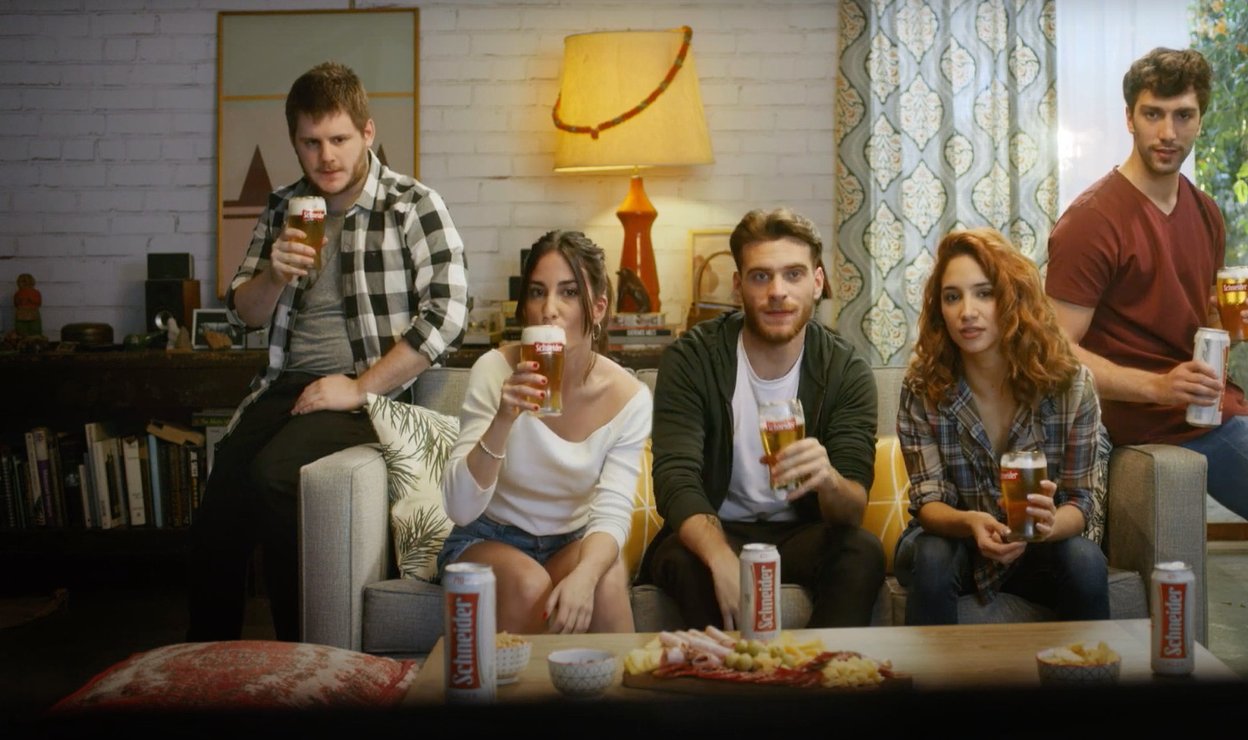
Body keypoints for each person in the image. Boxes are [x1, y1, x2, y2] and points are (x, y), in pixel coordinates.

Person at [1045, 47, 1248, 677]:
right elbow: (1055, 352)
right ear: (1129, 117)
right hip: (1156, 418)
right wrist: (1156, 388)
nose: (1168, 131)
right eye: (1153, 114)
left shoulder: (1205, 211)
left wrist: (1232, 319)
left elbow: (1197, 326)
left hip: (1208, 403)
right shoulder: (1092, 220)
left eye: (1183, 115)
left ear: (1200, 118)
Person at [187, 62, 469, 642]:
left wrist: (359, 387)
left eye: (339, 139)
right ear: (295, 142)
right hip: (284, 384)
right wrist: (273, 274)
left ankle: (301, 654)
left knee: (274, 476)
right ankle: (206, 661)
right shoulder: (284, 206)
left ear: (367, 132)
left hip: (369, 390)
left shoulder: (413, 205)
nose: (326, 157)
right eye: (310, 143)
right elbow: (244, 315)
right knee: (217, 510)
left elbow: (449, 313)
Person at [640, 207, 883, 631]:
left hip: (802, 532)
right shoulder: (693, 358)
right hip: (719, 526)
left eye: (793, 274)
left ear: (817, 282)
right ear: (738, 286)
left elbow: (851, 510)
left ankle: (823, 669)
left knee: (862, 551)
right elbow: (677, 479)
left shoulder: (846, 371)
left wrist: (829, 480)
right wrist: (721, 558)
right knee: (682, 558)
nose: (777, 292)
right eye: (760, 276)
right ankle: (727, 672)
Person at [895, 228, 1110, 625]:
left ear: (1013, 299)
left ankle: (1086, 663)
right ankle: (928, 666)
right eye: (952, 297)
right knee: (932, 555)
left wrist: (1046, 526)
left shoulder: (1070, 384)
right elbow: (928, 502)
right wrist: (970, 522)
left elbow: (1081, 502)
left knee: (1085, 559)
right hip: (958, 539)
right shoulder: (923, 386)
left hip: (1039, 546)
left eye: (984, 293)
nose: (967, 312)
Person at [438, 230, 648, 634]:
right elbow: (460, 508)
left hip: (569, 542)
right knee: (528, 583)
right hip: (487, 540)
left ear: (598, 307)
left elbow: (611, 512)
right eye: (537, 292)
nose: (549, 309)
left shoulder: (629, 397)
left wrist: (585, 576)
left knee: (604, 577)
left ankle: (630, 677)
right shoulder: (493, 371)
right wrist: (503, 419)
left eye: (569, 292)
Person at [13, 273, 41, 338]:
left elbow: (38, 302)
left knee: (33, 329)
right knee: (23, 330)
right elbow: (16, 304)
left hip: (31, 313)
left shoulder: (35, 292)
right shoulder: (18, 293)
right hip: (22, 314)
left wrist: (29, 299)